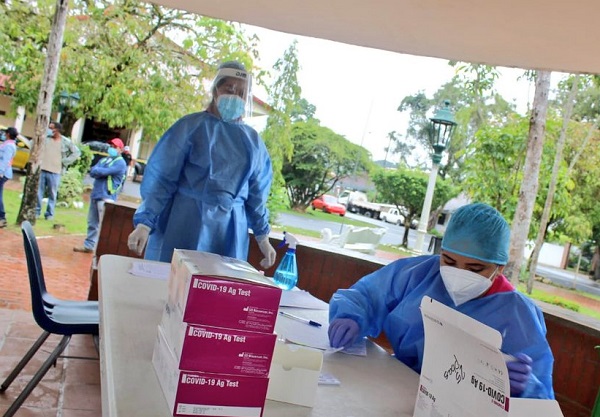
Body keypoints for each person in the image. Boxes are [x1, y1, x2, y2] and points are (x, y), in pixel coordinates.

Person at [328, 203, 554, 399]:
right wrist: (352, 316)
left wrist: (526, 387)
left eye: (475, 269)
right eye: (449, 260)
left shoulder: (519, 315)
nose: (459, 274)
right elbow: (368, 294)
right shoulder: (419, 274)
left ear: (499, 268)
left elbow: (541, 397)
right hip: (398, 383)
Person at [127, 61, 276, 270]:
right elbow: (162, 178)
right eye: (229, 89)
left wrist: (263, 237)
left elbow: (257, 194)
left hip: (229, 229)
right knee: (173, 283)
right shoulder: (190, 127)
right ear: (215, 89)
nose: (235, 96)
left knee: (216, 289)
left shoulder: (252, 142)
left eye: (241, 93)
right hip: (185, 220)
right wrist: (145, 222)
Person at [74, 138, 128, 253]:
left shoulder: (120, 163)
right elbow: (93, 171)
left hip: (106, 195)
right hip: (96, 194)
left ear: (120, 149)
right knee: (92, 222)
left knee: (104, 224)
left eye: (114, 147)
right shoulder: (104, 160)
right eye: (111, 146)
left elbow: (104, 172)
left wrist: (100, 171)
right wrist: (100, 171)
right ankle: (89, 245)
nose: (111, 148)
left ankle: (102, 248)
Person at [36, 121, 81, 220]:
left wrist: (65, 161)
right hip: (43, 169)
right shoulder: (45, 139)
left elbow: (77, 152)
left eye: (52, 128)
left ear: (57, 130)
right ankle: (37, 212)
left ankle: (49, 214)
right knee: (39, 192)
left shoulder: (65, 142)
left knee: (52, 194)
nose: (50, 130)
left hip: (55, 171)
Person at [0, 127, 18, 228]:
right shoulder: (7, 144)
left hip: (3, 173)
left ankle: (2, 217)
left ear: (8, 134)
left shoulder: (9, 146)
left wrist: (0, 172)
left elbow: (6, 161)